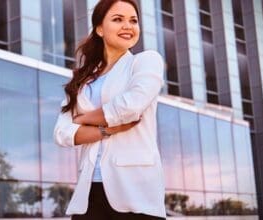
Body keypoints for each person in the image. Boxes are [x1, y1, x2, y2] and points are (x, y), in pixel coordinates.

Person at [53, 0, 166, 219]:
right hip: (90, 192)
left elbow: (130, 107)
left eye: (133, 20)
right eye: (118, 19)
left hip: (135, 192)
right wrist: (108, 130)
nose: (128, 26)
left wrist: (82, 119)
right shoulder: (82, 80)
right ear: (99, 29)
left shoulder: (146, 61)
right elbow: (61, 133)